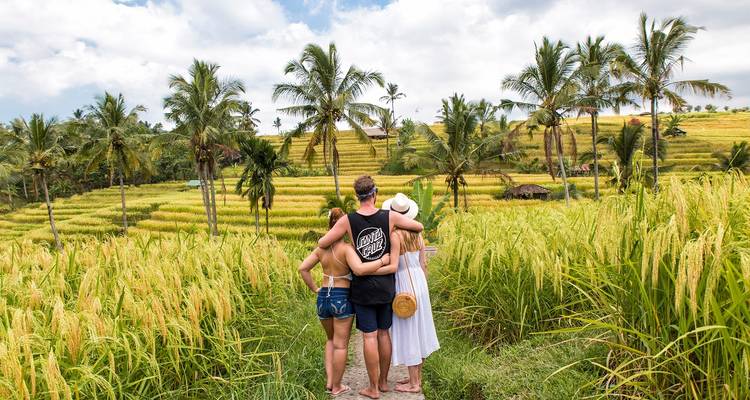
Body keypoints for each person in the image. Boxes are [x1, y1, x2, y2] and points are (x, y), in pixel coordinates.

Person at [318, 176, 424, 399]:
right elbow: (418, 226)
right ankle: (384, 383)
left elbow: (322, 243)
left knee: (369, 337)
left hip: (363, 286)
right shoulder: (390, 217)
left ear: (357, 196)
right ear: (375, 193)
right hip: (386, 285)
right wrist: (394, 233)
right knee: (384, 333)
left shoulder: (348, 220)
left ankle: (373, 388)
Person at [298, 208, 396, 397]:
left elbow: (303, 269)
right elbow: (359, 269)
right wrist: (382, 260)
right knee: (341, 345)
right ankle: (337, 386)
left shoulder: (320, 250)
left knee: (330, 340)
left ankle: (330, 381)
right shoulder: (347, 249)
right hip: (341, 297)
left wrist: (315, 288)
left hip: (323, 296)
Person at [381, 193, 440, 393]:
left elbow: (393, 266)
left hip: (405, 282)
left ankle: (414, 384)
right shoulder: (418, 234)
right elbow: (424, 264)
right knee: (420, 329)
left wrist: (370, 269)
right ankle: (416, 378)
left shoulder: (396, 236)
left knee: (409, 331)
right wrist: (423, 286)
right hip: (420, 282)